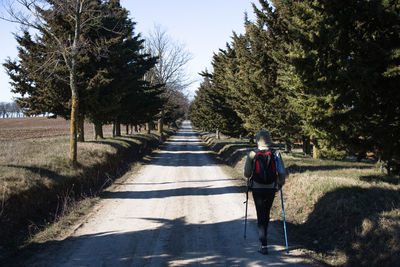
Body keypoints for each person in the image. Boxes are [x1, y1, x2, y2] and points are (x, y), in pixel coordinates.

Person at [244, 129, 287, 255]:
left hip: (257, 188)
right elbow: (282, 172)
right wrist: (280, 183)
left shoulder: (253, 153)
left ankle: (263, 244)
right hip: (271, 188)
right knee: (266, 213)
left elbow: (247, 173)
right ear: (269, 139)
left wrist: (249, 177)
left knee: (260, 213)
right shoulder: (276, 153)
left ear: (258, 139)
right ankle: (264, 239)